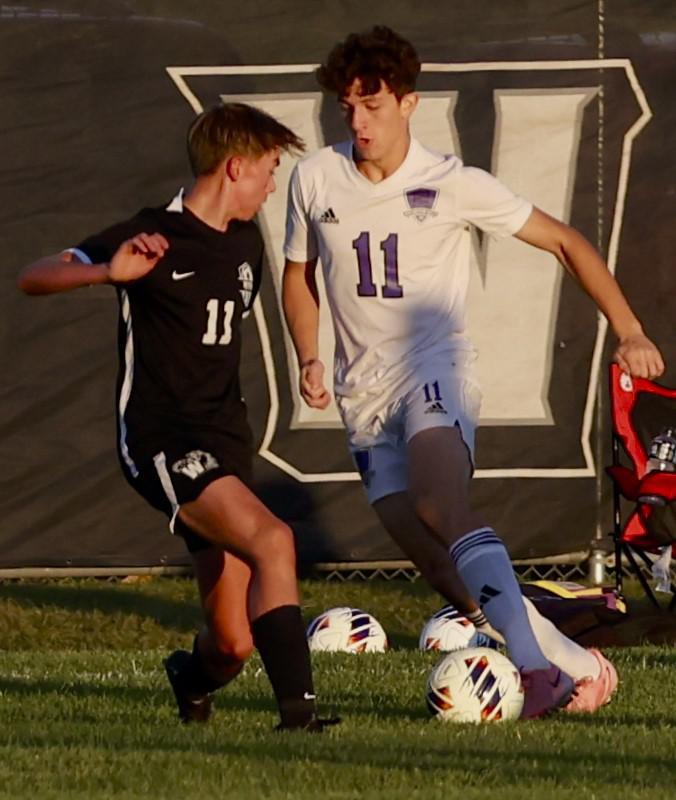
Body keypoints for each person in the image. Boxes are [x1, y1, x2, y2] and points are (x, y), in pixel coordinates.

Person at [282, 26, 665, 718]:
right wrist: (309, 352)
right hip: (360, 398)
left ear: (409, 103)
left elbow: (565, 241)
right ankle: (576, 665)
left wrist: (630, 329)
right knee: (436, 564)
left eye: (373, 105)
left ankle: (530, 669)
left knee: (441, 504)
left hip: (434, 372)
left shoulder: (451, 183)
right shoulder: (315, 178)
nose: (358, 121)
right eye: (348, 107)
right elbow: (297, 275)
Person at [18, 101, 338, 733]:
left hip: (226, 440)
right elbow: (33, 276)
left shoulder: (245, 240)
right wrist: (107, 271)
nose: (274, 185)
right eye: (269, 170)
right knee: (275, 539)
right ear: (235, 167)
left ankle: (190, 681)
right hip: (164, 440)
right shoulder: (150, 234)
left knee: (231, 644)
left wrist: (308, 360)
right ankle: (299, 722)